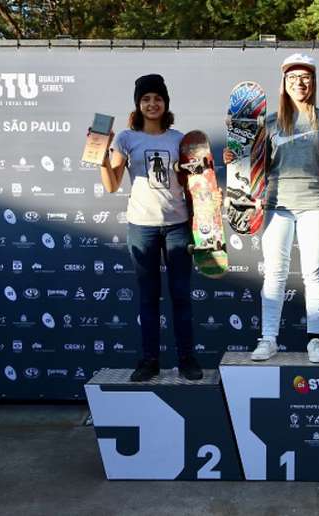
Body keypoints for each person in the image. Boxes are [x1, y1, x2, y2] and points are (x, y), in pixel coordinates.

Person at [224, 53, 319, 363]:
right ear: (283, 83)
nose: (300, 83)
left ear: (313, 82)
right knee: (274, 273)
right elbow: (253, 166)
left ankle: (316, 340)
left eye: (305, 77)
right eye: (293, 78)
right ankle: (268, 339)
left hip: (314, 202)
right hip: (276, 203)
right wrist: (235, 159)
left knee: (313, 273)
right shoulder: (269, 122)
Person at [101, 74, 202, 382]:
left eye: (157, 98)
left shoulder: (180, 139)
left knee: (181, 295)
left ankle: (186, 359)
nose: (152, 104)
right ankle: (149, 361)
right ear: (138, 104)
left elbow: (193, 184)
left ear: (165, 103)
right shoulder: (126, 139)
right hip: (141, 226)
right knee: (148, 297)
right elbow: (111, 185)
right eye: (146, 99)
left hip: (177, 225)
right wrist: (101, 156)